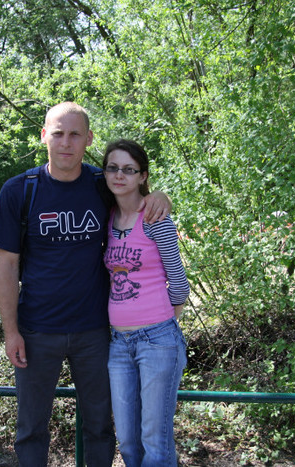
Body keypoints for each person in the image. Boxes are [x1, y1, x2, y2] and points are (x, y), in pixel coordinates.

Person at [0, 102, 171, 466]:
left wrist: (160, 196)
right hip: (37, 330)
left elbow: (138, 198)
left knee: (101, 427)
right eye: (58, 133)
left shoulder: (101, 185)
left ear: (88, 139)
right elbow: (6, 265)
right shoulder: (18, 191)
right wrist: (11, 332)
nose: (66, 143)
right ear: (44, 136)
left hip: (96, 332)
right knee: (30, 429)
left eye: (75, 134)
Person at [102, 139, 189, 467]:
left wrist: (164, 320)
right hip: (119, 344)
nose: (119, 175)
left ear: (142, 176)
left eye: (128, 169)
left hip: (157, 342)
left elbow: (179, 282)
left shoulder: (155, 218)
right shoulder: (106, 217)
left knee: (156, 440)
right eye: (113, 168)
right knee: (127, 440)